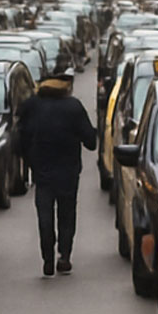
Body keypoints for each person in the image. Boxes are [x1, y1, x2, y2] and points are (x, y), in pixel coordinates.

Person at [17, 69, 97, 277]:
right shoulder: (73, 107)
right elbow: (91, 142)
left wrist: (28, 162)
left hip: (42, 173)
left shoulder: (32, 106)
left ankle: (47, 258)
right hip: (69, 173)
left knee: (44, 216)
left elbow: (20, 139)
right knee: (67, 214)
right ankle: (64, 256)